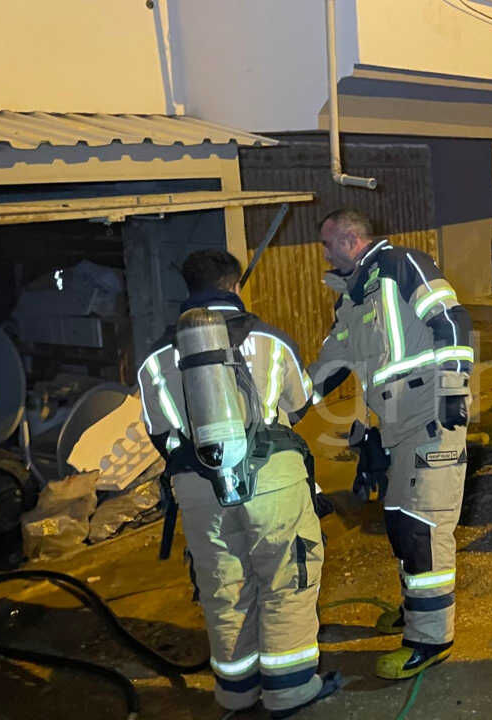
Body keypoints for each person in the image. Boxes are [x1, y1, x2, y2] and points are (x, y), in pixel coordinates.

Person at [137, 250, 339, 718]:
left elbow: (158, 432)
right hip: (270, 475)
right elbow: (298, 402)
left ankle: (236, 694)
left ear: (188, 289)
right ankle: (289, 690)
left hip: (196, 485)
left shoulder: (155, 355)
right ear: (234, 286)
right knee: (287, 577)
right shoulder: (270, 339)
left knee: (224, 587)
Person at [308, 209, 474, 680]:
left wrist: (453, 394)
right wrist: (283, 408)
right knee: (402, 523)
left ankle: (430, 640)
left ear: (349, 239)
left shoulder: (403, 265)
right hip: (394, 426)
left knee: (424, 527)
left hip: (429, 416)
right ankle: (416, 609)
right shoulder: (353, 299)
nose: (323, 254)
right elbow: (330, 364)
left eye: (327, 244)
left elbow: (452, 321)